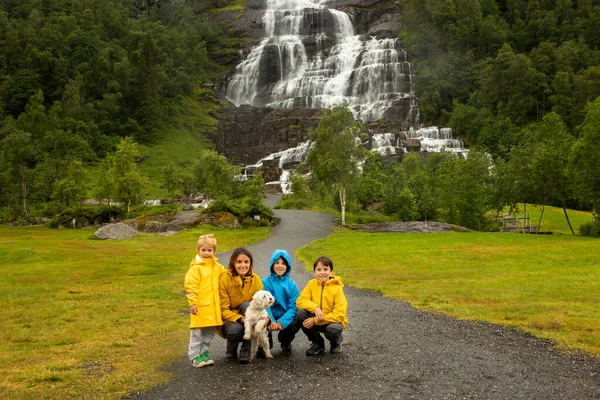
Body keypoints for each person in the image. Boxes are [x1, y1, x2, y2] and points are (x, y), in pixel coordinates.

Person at [184, 234, 225, 368]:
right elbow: (191, 286)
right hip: (200, 307)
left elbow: (226, 276)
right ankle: (195, 356)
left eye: (209, 250)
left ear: (214, 251)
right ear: (198, 250)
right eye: (204, 250)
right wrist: (193, 302)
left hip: (212, 308)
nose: (207, 253)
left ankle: (204, 352)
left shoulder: (217, 267)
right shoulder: (196, 268)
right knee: (197, 333)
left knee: (209, 332)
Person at [219, 247, 265, 364]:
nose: (243, 265)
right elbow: (223, 309)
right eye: (239, 262)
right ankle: (231, 350)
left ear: (250, 264)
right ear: (233, 263)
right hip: (230, 319)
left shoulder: (256, 280)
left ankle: (246, 349)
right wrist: (240, 319)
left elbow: (260, 306)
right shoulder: (224, 278)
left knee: (247, 305)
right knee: (236, 330)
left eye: (246, 262)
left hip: (250, 315)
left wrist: (266, 320)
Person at [296, 256, 348, 356]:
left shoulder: (337, 289)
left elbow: (339, 314)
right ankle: (318, 343)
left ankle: (336, 342)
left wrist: (315, 320)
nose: (322, 272)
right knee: (300, 313)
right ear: (314, 272)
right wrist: (315, 308)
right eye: (319, 270)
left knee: (332, 330)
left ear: (331, 271)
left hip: (332, 322)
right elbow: (300, 301)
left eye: (325, 269)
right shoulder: (311, 284)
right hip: (317, 318)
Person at [262, 249, 301, 354]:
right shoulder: (265, 282)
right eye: (277, 262)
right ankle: (265, 342)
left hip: (285, 315)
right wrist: (270, 319)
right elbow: (264, 305)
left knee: (296, 321)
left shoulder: (292, 285)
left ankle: (285, 340)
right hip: (269, 315)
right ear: (272, 265)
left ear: (287, 266)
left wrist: (282, 322)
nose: (280, 266)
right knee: (260, 317)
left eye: (283, 263)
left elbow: (293, 307)